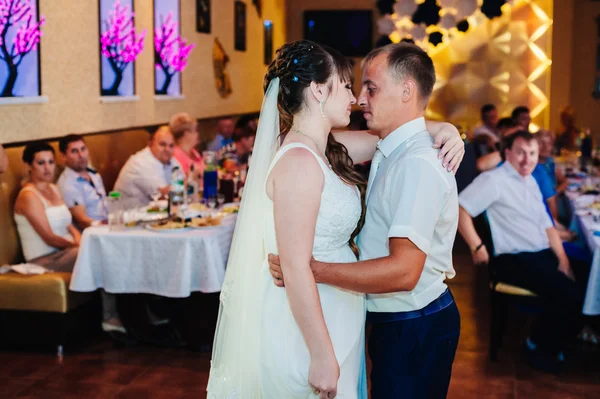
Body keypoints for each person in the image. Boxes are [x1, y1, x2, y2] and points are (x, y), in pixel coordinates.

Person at [207, 40, 465, 398]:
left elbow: (392, 137)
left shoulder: (325, 147)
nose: (356, 97)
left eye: (364, 87)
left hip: (344, 305)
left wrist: (443, 129)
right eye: (346, 85)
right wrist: (322, 355)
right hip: (312, 313)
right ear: (317, 90)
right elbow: (297, 266)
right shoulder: (299, 159)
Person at [457, 130, 586, 372]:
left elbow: (548, 226)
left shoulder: (530, 180)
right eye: (520, 153)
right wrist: (477, 246)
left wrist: (563, 261)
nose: (527, 160)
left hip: (540, 252)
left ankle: (559, 339)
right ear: (507, 154)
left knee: (588, 278)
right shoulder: (494, 180)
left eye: (532, 154)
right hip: (514, 258)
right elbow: (460, 208)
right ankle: (537, 346)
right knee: (570, 294)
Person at [14, 143, 124, 334]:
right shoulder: (28, 196)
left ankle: (133, 313)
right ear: (29, 166)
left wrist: (79, 238)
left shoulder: (54, 189)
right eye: (41, 163)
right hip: (45, 258)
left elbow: (68, 224)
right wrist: (78, 244)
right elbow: (49, 237)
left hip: (66, 251)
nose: (48, 168)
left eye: (51, 162)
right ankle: (111, 317)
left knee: (113, 249)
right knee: (103, 255)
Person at [113, 126, 180, 204]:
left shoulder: (171, 160)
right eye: (162, 144)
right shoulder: (140, 163)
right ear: (150, 144)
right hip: (127, 213)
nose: (167, 149)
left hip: (152, 212)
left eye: (171, 146)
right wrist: (187, 183)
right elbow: (163, 196)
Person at [57, 135, 108, 229]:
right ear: (63, 156)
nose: (81, 155)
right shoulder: (68, 183)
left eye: (83, 149)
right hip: (93, 233)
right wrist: (106, 226)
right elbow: (82, 221)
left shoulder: (93, 173)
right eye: (74, 151)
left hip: (107, 224)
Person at [170, 112, 205, 177]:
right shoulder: (176, 156)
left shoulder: (194, 152)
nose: (198, 134)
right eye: (195, 130)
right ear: (186, 134)